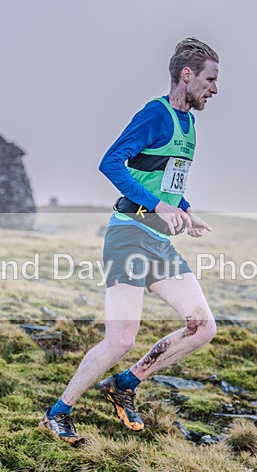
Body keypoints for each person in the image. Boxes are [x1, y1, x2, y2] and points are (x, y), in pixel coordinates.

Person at [40, 38, 220, 444]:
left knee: (202, 326)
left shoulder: (189, 123)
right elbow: (111, 163)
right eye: (210, 79)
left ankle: (124, 384)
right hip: (129, 236)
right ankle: (57, 413)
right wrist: (158, 205)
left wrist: (184, 210)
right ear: (186, 75)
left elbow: (163, 177)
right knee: (121, 338)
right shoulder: (155, 114)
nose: (214, 89)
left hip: (159, 242)